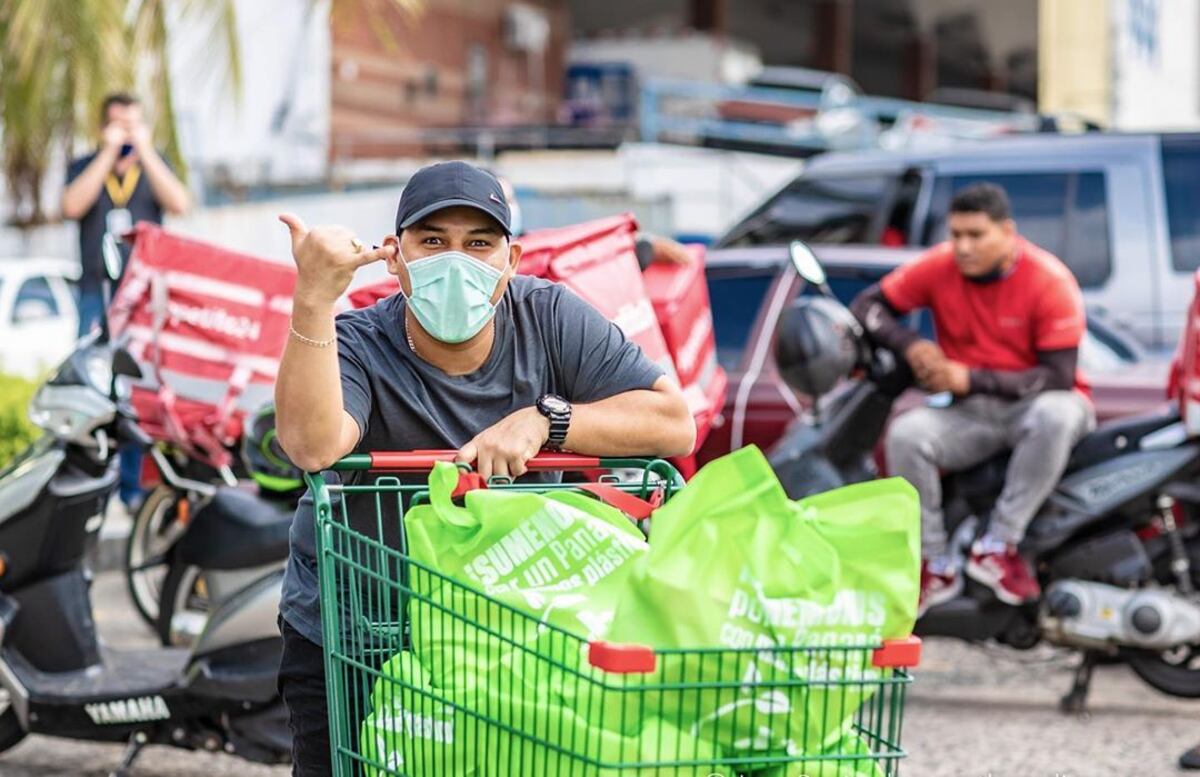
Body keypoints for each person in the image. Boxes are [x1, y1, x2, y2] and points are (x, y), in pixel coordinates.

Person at [273, 160, 695, 775]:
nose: (456, 262)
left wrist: (547, 421)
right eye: (432, 242)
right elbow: (312, 446)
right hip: (361, 631)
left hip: (507, 634)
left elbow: (673, 422)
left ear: (510, 260)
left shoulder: (549, 318)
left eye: (478, 244)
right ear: (395, 257)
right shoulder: (360, 343)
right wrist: (313, 297)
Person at [849, 183, 1094, 616]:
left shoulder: (1048, 279)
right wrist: (910, 345)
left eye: (976, 235)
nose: (963, 247)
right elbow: (868, 306)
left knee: (1058, 413)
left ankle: (999, 545)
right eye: (956, 234)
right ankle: (934, 563)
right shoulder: (940, 265)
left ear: (1008, 232)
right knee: (906, 434)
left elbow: (1057, 377)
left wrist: (969, 378)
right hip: (970, 414)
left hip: (1033, 407)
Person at [61, 92, 191, 510]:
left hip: (144, 300)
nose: (127, 132)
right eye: (119, 123)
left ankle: (133, 491)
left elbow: (180, 203)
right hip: (95, 295)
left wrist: (146, 151)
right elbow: (71, 206)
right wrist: (107, 153)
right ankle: (94, 487)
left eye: (133, 123)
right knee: (94, 388)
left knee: (138, 391)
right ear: (103, 126)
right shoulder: (85, 165)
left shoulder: (153, 167)